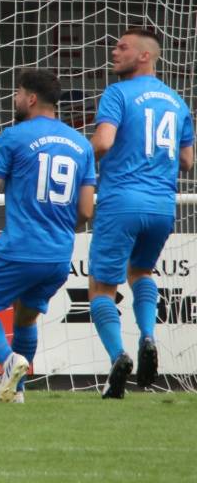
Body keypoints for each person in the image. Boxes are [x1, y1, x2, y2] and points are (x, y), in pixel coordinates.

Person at [0, 69, 96, 404]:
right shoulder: (81, 144)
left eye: (18, 93)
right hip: (59, 254)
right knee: (25, 315)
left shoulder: (14, 136)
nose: (15, 99)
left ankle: (9, 361)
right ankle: (15, 392)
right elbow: (87, 211)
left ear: (32, 99)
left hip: (21, 247)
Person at [88, 27, 194, 398]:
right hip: (163, 205)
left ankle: (119, 357)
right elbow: (187, 160)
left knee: (101, 287)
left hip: (122, 200)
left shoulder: (117, 93)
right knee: (142, 271)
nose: (114, 52)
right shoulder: (177, 101)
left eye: (123, 47)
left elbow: (103, 142)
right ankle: (148, 335)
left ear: (145, 55)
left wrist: (80, 154)